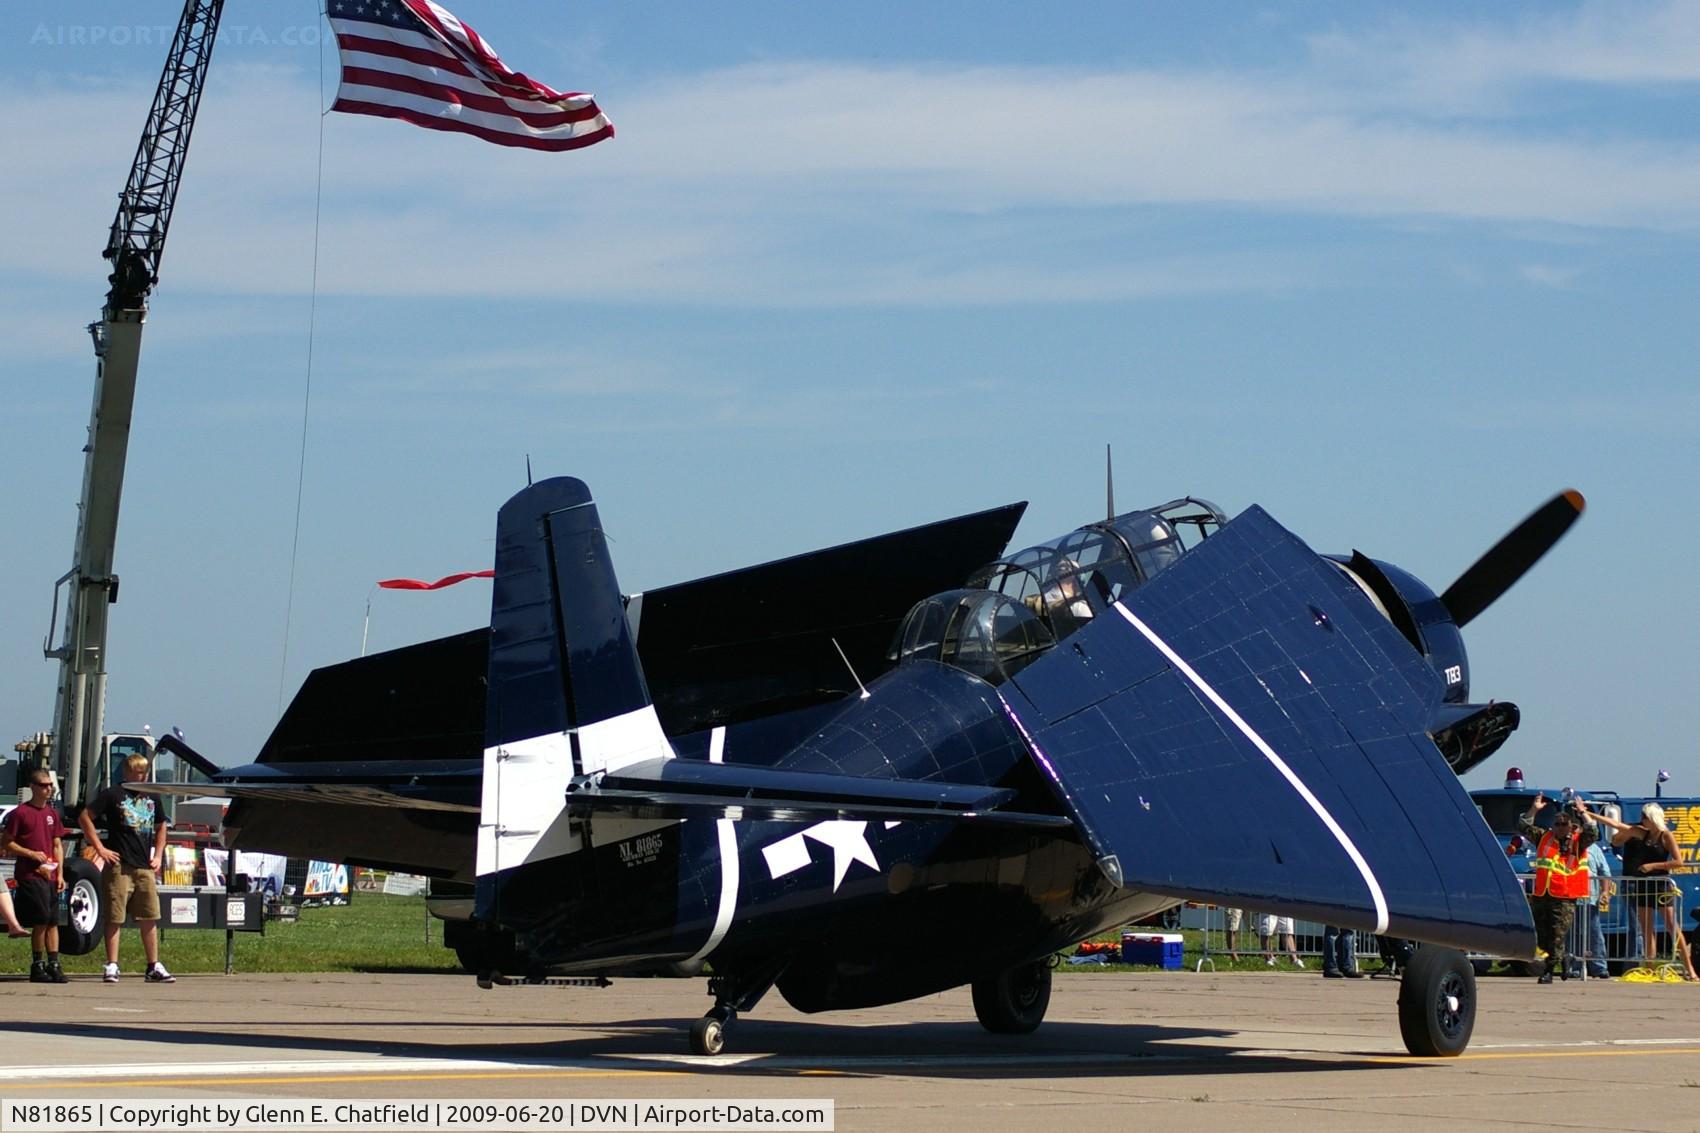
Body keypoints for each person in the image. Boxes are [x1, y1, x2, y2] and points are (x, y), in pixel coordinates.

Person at [78, 754, 175, 984]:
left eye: (145, 771)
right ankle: (112, 964)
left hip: (144, 865)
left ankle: (153, 965)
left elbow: (161, 825)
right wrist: (100, 848)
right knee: (115, 916)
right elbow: (85, 817)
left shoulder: (152, 795)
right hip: (119, 865)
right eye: (139, 772)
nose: (143, 776)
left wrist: (158, 854)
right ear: (127, 773)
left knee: (149, 916)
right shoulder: (113, 794)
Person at [1582, 800, 1697, 981]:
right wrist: (1587, 814)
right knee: (1646, 929)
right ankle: (1649, 967)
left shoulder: (1666, 836)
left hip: (1661, 885)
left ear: (1653, 818)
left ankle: (1690, 969)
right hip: (1643, 886)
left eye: (1645, 817)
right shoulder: (1640, 832)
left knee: (1672, 927)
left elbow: (1678, 861)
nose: (1642, 820)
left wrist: (1653, 866)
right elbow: (1616, 824)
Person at [1518, 793, 1596, 984]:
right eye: (1557, 824)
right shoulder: (1544, 837)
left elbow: (1594, 832)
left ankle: (1549, 971)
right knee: (1542, 936)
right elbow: (1523, 826)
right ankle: (1563, 959)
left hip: (1565, 895)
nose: (1559, 828)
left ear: (1570, 825)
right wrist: (1534, 809)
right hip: (1543, 893)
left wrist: (1583, 812)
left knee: (1557, 935)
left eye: (1563, 824)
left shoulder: (1579, 841)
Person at [2, 768, 69, 983]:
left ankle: (54, 963)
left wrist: (60, 874)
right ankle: (37, 964)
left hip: (49, 876)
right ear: (33, 787)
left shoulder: (51, 814)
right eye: (43, 785)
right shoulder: (21, 813)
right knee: (40, 921)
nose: (48, 789)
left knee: (53, 921)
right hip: (30, 875)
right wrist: (31, 854)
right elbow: (6, 842)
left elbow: (57, 844)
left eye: (50, 785)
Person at [1570, 839, 1613, 979]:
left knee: (1594, 932)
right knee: (1572, 934)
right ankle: (1574, 967)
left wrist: (1605, 892)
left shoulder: (1594, 849)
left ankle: (1599, 967)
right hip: (1569, 897)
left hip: (1590, 897)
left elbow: (1604, 872)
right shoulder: (1566, 846)